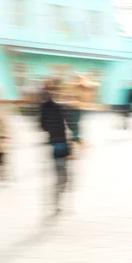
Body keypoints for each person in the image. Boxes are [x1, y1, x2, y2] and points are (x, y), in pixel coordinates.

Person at [40, 83, 72, 214]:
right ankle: (57, 203)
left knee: (60, 174)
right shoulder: (60, 108)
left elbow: (42, 126)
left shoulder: (44, 109)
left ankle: (56, 203)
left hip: (55, 143)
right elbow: (67, 126)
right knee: (62, 176)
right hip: (61, 144)